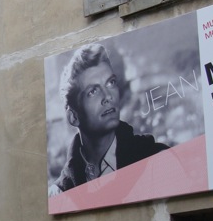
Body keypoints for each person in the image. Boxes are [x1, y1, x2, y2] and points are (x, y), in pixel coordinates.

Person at [50, 43, 168, 195]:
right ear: (73, 116)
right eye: (93, 91)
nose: (108, 96)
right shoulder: (58, 196)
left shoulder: (156, 162)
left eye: (111, 83)